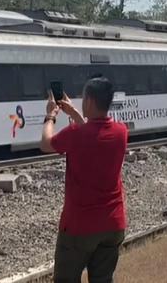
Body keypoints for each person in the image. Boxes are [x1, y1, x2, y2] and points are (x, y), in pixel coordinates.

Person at [39, 78, 128, 283]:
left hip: (79, 226)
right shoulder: (121, 132)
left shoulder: (75, 133)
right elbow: (94, 135)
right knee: (103, 280)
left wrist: (50, 116)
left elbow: (45, 143)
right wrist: (74, 114)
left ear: (88, 100)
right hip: (113, 224)